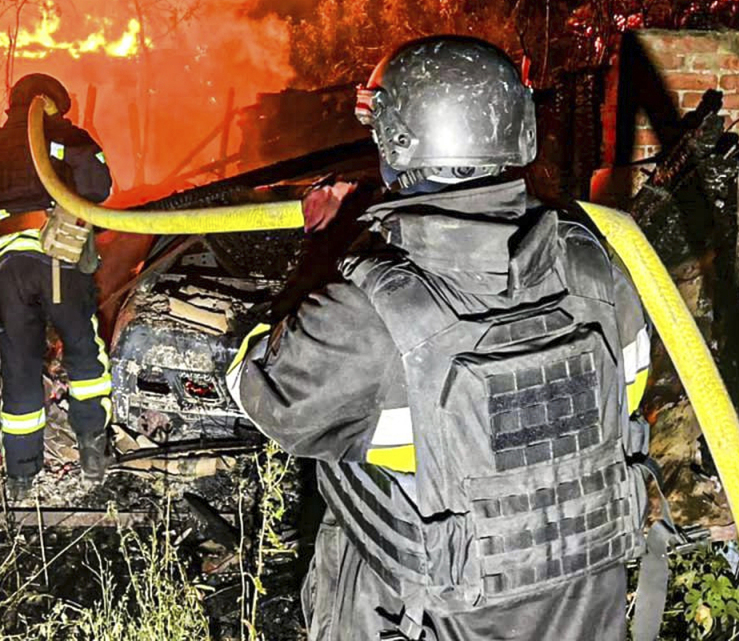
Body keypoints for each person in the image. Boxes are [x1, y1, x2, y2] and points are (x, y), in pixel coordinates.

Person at [227, 37, 654, 641]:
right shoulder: (597, 268)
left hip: (415, 615)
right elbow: (623, 399)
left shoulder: (372, 316)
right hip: (585, 611)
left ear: (397, 141)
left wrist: (326, 245)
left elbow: (260, 388)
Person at [0, 73, 114, 499]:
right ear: (55, 104)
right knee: (83, 352)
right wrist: (68, 149)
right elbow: (99, 188)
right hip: (57, 257)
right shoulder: (68, 136)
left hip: (7, 264)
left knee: (18, 364)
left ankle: (20, 476)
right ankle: (92, 451)